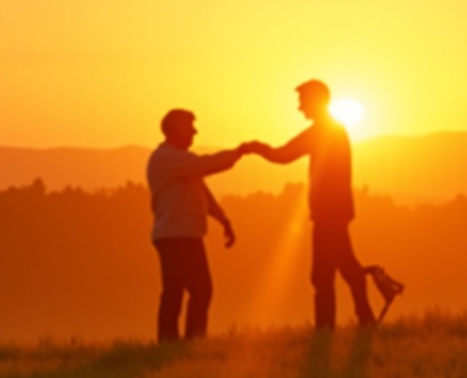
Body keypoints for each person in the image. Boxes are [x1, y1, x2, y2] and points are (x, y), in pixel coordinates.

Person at [243, 80, 377, 331]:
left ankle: (328, 328)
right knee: (344, 266)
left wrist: (255, 148)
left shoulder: (322, 131)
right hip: (335, 211)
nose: (299, 107)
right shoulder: (333, 129)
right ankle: (362, 317)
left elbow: (282, 155)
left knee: (323, 275)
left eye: (302, 101)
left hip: (329, 212)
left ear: (316, 101)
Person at [146, 108, 248, 342]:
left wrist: (224, 220)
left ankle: (181, 341)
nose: (195, 131)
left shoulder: (181, 161)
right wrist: (238, 152)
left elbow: (202, 193)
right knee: (186, 290)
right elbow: (208, 164)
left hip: (183, 234)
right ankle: (182, 341)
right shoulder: (168, 158)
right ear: (173, 131)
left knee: (188, 290)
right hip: (175, 235)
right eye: (189, 127)